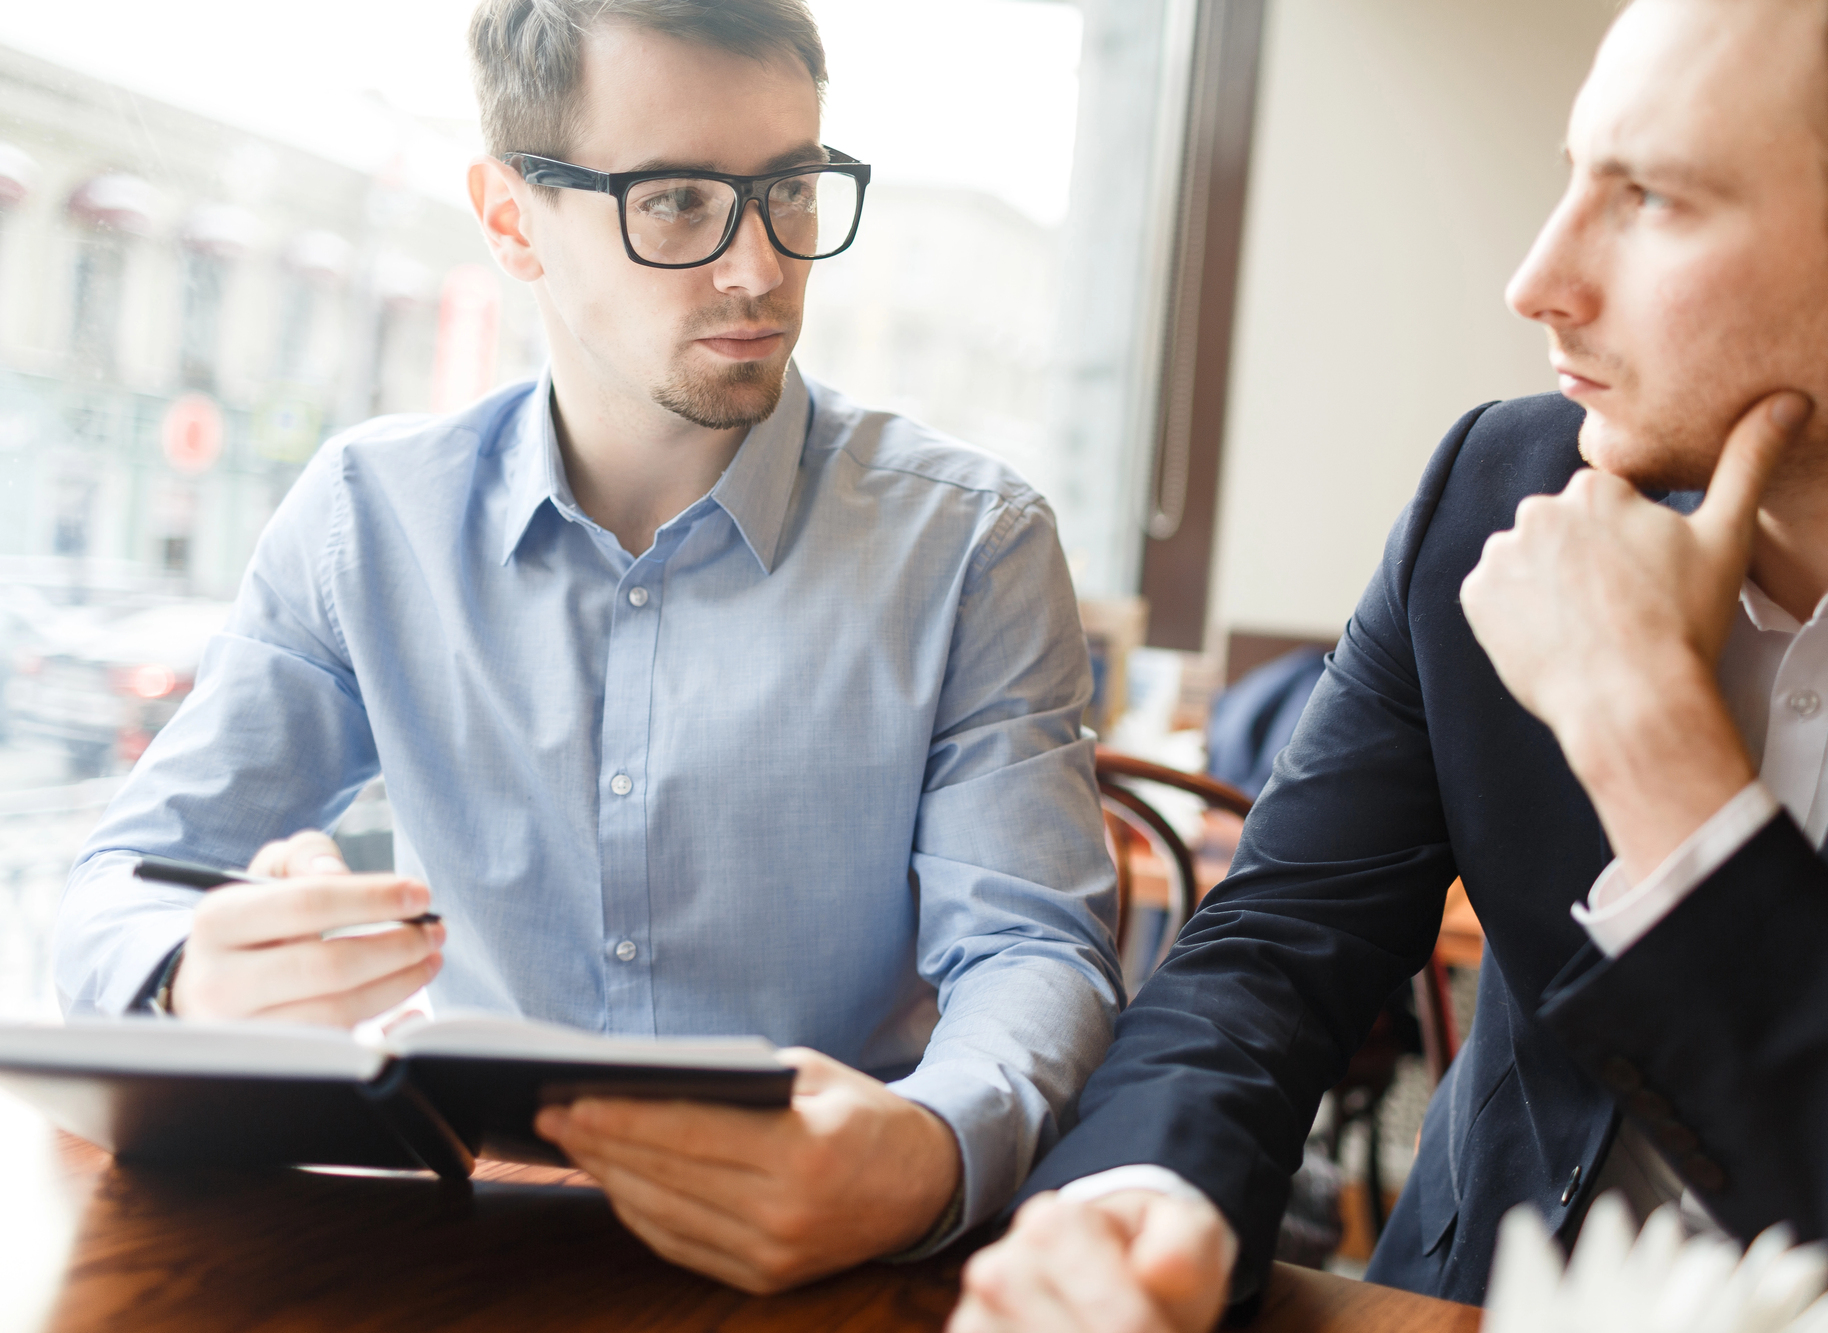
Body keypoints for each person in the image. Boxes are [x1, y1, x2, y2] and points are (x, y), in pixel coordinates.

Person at [948, 0, 1828, 1330]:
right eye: (1574, 176)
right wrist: (1136, 1209)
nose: (1538, 277)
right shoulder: (1495, 490)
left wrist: (1650, 739)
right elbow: (1273, 950)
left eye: (1655, 198)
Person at [53, 0, 1123, 1294]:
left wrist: (930, 1146)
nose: (760, 268)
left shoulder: (974, 542)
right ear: (512, 220)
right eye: (676, 201)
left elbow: (1028, 953)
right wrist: (184, 980)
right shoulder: (366, 521)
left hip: (840, 1258)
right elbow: (122, 887)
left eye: (791, 188)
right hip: (472, 1240)